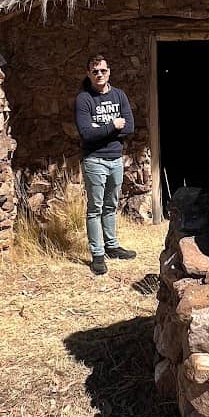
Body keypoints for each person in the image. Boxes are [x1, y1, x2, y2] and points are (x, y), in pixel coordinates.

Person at [75, 54, 137, 276]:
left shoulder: (119, 95)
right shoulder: (84, 99)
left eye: (102, 70)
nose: (99, 74)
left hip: (115, 159)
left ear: (109, 71)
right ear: (88, 74)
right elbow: (86, 134)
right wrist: (112, 125)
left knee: (111, 205)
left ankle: (112, 246)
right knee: (95, 209)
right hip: (94, 160)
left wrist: (100, 129)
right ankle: (98, 254)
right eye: (94, 71)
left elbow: (129, 127)